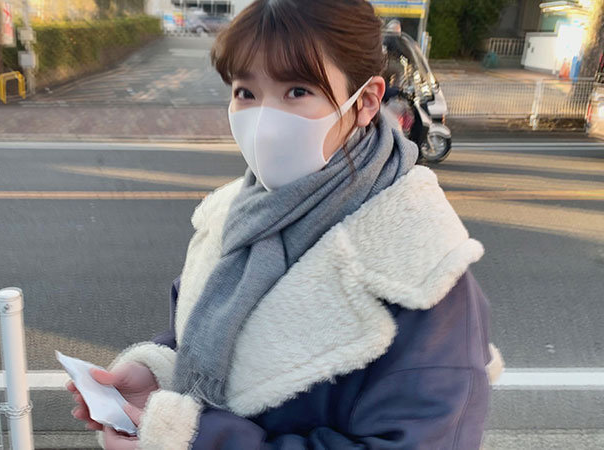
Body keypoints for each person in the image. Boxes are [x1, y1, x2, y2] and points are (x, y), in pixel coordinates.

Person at [68, 0, 504, 448]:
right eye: (245, 93)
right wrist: (159, 374)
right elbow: (215, 330)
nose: (265, 120)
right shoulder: (235, 212)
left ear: (367, 101)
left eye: (297, 91)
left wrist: (197, 441)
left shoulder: (423, 270)